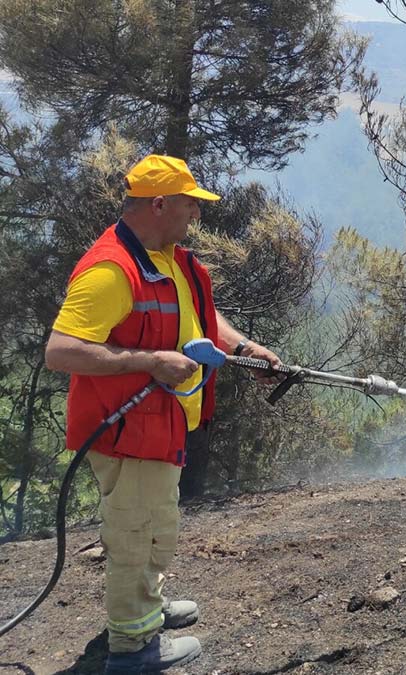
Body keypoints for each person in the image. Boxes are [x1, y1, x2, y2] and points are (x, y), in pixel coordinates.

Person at [44, 154, 281, 673]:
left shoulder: (163, 255)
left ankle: (144, 608)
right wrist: (150, 361)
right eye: (189, 205)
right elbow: (60, 351)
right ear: (158, 204)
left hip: (157, 425)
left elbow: (199, 317)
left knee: (154, 523)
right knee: (136, 531)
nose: (195, 214)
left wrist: (248, 348)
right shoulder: (112, 270)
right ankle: (134, 648)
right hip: (126, 431)